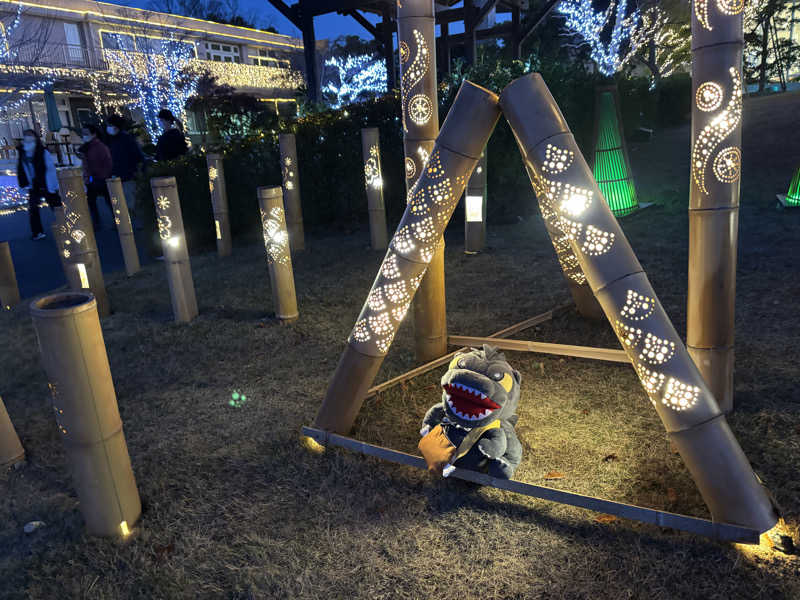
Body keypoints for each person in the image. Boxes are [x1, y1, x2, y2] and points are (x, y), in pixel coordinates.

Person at [16, 129, 62, 240]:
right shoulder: (23, 152)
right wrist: (24, 183)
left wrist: (52, 185)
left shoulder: (42, 151)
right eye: (25, 135)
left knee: (55, 206)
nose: (27, 137)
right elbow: (21, 169)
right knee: (33, 208)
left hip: (45, 183)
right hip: (33, 185)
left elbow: (50, 169)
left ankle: (65, 224)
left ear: (35, 137)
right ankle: (37, 232)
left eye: (30, 135)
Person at [106, 114, 144, 221]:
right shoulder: (113, 139)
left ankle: (135, 223)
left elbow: (136, 155)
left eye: (109, 125)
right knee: (124, 202)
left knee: (131, 202)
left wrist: (135, 170)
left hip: (128, 175)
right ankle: (127, 223)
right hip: (118, 174)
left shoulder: (126, 139)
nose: (108, 127)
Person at [77, 124, 113, 229]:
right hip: (92, 178)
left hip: (101, 178)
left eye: (86, 134)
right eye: (83, 134)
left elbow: (107, 163)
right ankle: (97, 222)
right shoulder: (86, 147)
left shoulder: (100, 147)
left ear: (94, 134)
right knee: (92, 201)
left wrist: (102, 175)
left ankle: (115, 220)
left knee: (107, 200)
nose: (84, 136)